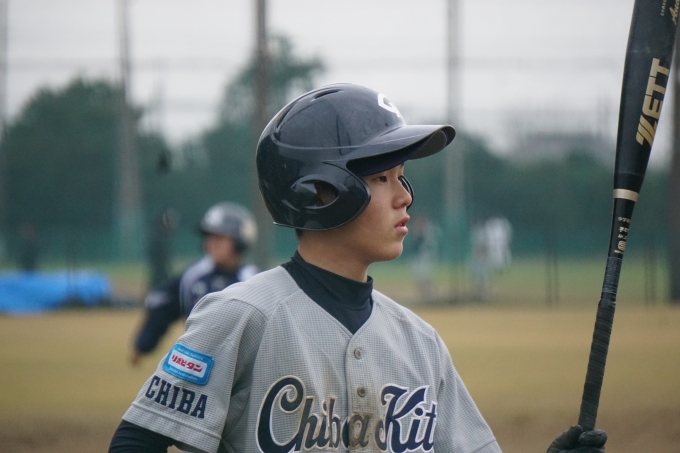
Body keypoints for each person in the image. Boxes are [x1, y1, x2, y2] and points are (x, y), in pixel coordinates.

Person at [110, 84, 606, 453]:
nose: (404, 196)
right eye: (382, 177)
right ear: (320, 192)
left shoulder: (421, 343)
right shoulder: (242, 315)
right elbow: (137, 440)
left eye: (403, 177)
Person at [129, 201, 259, 367]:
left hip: (242, 365)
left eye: (220, 237)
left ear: (240, 242)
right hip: (198, 365)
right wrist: (143, 344)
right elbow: (162, 308)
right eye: (209, 237)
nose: (212, 243)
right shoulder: (192, 277)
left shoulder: (252, 280)